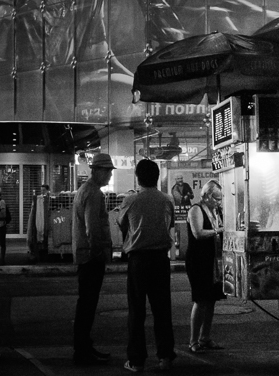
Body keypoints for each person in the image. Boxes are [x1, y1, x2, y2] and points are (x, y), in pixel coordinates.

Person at [117, 159, 177, 373]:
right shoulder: (167, 199)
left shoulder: (130, 200)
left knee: (136, 311)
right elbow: (169, 225)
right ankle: (166, 357)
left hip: (139, 260)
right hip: (161, 259)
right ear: (158, 176)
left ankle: (137, 361)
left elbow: (122, 224)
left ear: (137, 176)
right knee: (162, 310)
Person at [71, 153, 115, 366]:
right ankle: (82, 351)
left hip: (83, 255)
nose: (109, 176)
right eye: (107, 171)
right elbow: (93, 229)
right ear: (97, 170)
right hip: (91, 257)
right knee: (87, 305)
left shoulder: (84, 190)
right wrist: (99, 253)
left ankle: (85, 347)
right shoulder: (94, 193)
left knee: (85, 304)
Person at [185, 180, 226, 353]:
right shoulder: (196, 209)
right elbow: (198, 233)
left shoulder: (216, 211)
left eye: (220, 199)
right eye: (216, 199)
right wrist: (220, 230)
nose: (218, 202)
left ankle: (205, 337)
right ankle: (193, 340)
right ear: (207, 195)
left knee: (211, 300)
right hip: (198, 260)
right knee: (201, 299)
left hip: (214, 261)